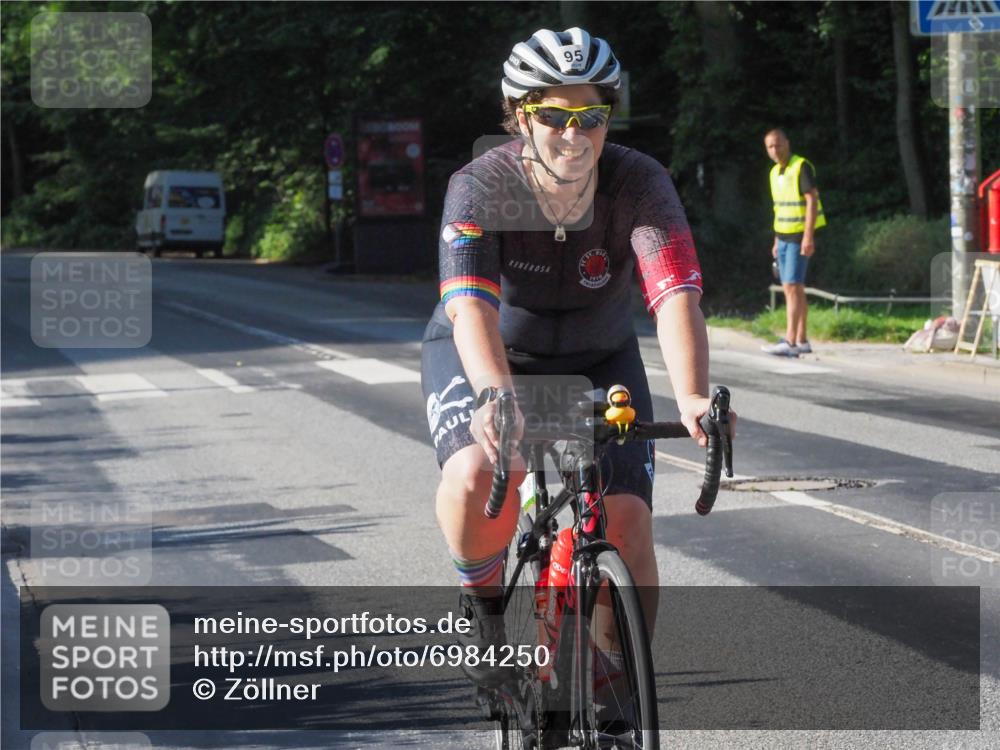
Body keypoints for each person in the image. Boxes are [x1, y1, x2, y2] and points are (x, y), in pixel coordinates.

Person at [420, 27, 731, 688]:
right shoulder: (482, 184)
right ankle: (481, 605)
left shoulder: (637, 182)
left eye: (589, 117)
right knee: (479, 476)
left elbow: (674, 295)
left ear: (607, 118)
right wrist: (494, 395)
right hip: (493, 353)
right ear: (519, 117)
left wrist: (695, 395)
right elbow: (470, 307)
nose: (572, 133)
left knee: (628, 521)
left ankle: (618, 688)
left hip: (598, 355)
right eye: (552, 116)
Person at [762, 128, 826, 357]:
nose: (775, 150)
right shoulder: (774, 172)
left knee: (791, 286)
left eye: (778, 144)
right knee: (795, 287)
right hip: (784, 236)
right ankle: (801, 339)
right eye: (770, 146)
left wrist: (808, 236)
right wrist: (776, 240)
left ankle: (790, 340)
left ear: (787, 143)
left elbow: (812, 200)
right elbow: (779, 208)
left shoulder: (801, 166)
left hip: (799, 235)